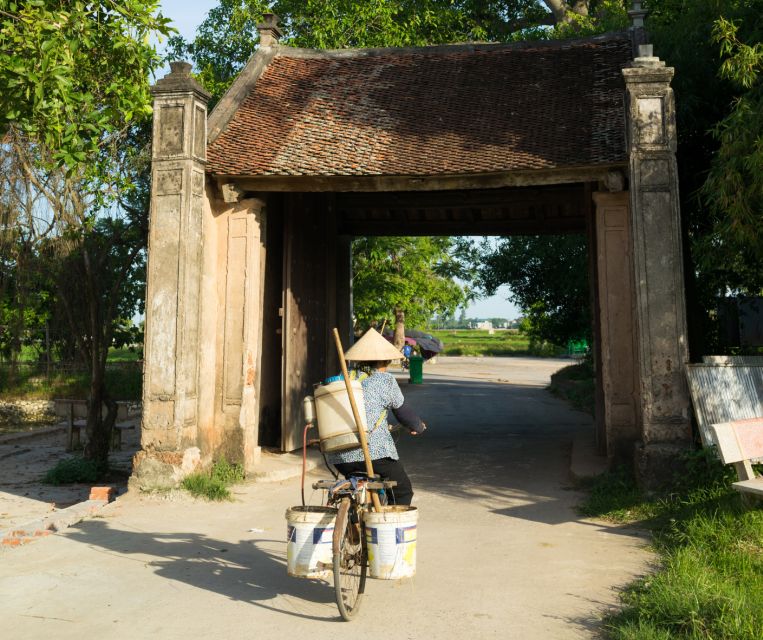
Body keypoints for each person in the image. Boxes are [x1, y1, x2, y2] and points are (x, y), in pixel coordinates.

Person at [327, 328, 426, 506]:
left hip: (339, 456)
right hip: (375, 455)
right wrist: (417, 426)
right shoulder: (385, 380)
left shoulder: (343, 377)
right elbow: (404, 414)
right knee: (402, 491)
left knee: (354, 485)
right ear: (385, 360)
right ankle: (385, 532)